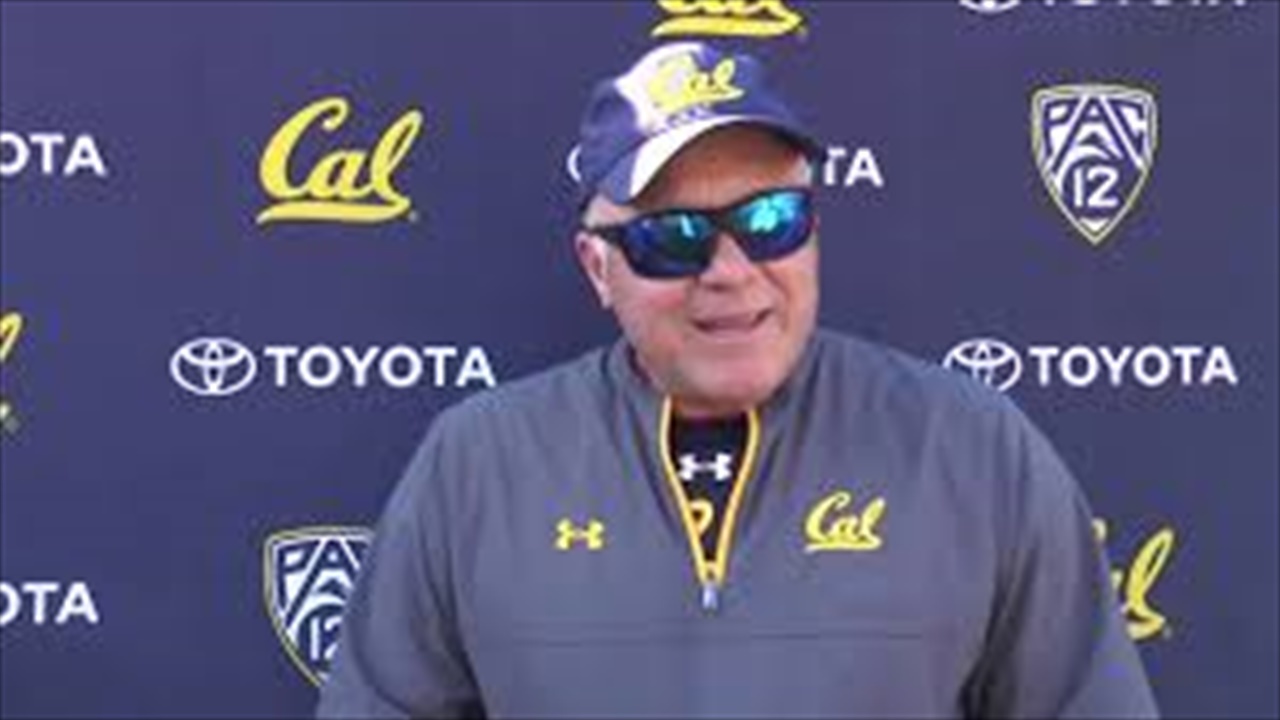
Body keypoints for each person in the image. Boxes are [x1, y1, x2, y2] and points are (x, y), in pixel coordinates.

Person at [318, 41, 1158, 718]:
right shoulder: (479, 463)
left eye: (771, 220)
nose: (731, 270)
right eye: (674, 238)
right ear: (598, 267)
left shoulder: (968, 447)